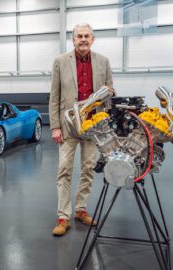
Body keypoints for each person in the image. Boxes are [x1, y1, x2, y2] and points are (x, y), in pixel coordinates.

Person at [49, 23, 114, 236]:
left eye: (87, 36)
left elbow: (110, 93)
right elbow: (54, 97)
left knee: (87, 169)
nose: (83, 39)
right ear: (73, 39)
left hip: (92, 126)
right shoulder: (60, 62)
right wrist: (55, 127)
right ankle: (63, 216)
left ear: (93, 39)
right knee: (64, 170)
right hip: (67, 126)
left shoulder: (103, 62)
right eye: (79, 36)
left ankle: (81, 209)